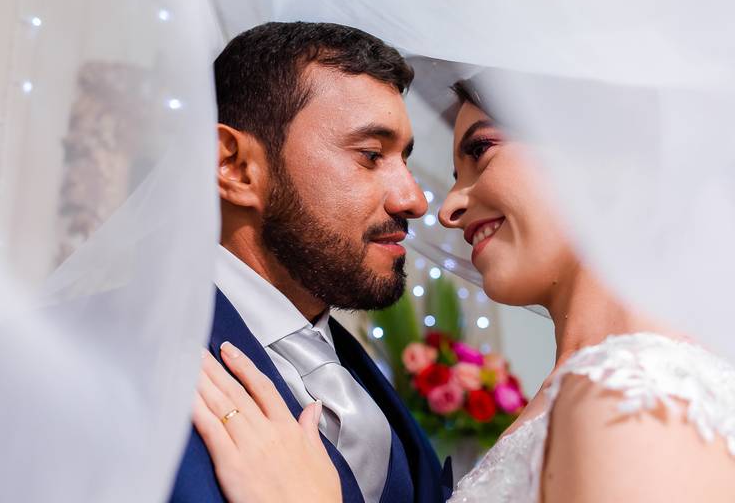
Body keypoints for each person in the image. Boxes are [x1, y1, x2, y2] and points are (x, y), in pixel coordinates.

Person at [191, 76, 735, 502]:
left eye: (480, 151)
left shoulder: (639, 398)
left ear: (603, 155)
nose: (446, 207)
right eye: (370, 155)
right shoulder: (579, 392)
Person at [169, 22, 453, 503]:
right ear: (234, 166)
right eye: (370, 155)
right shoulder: (104, 357)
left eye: (403, 159)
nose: (413, 200)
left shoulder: (360, 376)